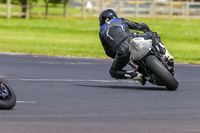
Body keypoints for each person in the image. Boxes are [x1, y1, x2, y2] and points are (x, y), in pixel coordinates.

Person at [99, 9, 174, 85]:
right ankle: (167, 55)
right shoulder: (120, 20)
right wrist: (147, 31)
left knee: (113, 72)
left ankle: (137, 76)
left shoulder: (101, 31)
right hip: (133, 39)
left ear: (102, 20)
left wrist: (118, 56)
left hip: (122, 51)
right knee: (153, 35)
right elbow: (139, 26)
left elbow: (108, 52)